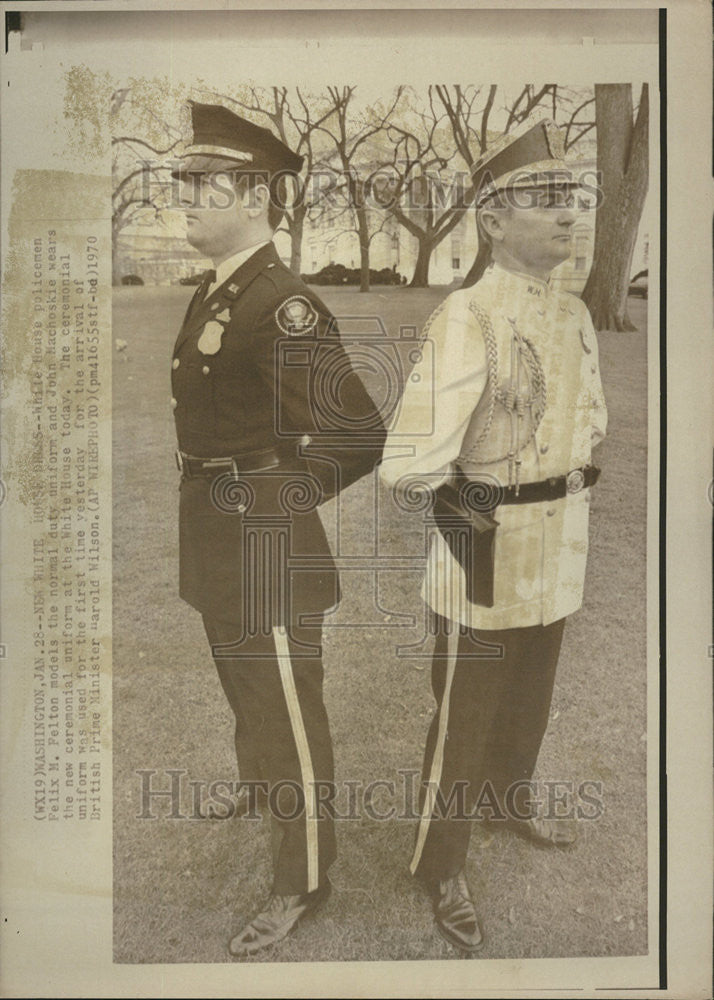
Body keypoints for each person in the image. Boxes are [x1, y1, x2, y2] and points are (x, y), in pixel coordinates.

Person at [380, 119, 608, 954]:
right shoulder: (467, 314)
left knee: (531, 695)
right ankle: (441, 863)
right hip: (486, 539)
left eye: (571, 200)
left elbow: (588, 428)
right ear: (491, 221)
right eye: (544, 200)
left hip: (559, 536)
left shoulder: (576, 311)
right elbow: (407, 459)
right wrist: (466, 515)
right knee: (464, 714)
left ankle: (510, 803)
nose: (567, 216)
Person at [170, 102, 385, 957]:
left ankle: (302, 877)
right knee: (243, 684)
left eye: (202, 183)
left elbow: (356, 436)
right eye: (182, 181)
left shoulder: (283, 303)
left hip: (262, 536)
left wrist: (276, 501)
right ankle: (263, 786)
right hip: (213, 527)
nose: (182, 197)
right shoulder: (216, 289)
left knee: (287, 703)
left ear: (257, 194)